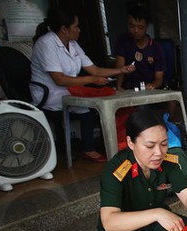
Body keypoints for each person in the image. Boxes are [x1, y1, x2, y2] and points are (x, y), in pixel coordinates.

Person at [31, 6, 135, 162]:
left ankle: (92, 147)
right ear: (64, 29)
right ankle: (90, 148)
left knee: (90, 106)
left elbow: (94, 70)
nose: (79, 30)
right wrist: (91, 80)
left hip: (68, 90)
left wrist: (121, 70)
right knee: (89, 105)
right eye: (76, 27)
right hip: (49, 93)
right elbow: (59, 79)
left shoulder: (72, 44)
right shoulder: (46, 44)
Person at [114, 5, 166, 91]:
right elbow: (120, 67)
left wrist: (152, 85)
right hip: (130, 88)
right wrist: (118, 87)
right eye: (131, 26)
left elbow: (159, 79)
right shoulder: (123, 41)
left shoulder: (156, 48)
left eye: (140, 27)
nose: (135, 30)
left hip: (150, 88)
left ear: (147, 26)